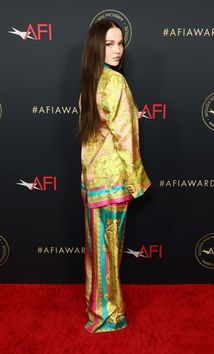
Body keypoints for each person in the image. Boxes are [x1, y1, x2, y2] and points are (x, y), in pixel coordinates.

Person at [77, 19, 152, 333]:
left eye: (120, 43)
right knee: (107, 252)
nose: (118, 50)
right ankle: (107, 316)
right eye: (109, 44)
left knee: (98, 253)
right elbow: (126, 135)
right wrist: (137, 180)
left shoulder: (91, 80)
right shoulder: (115, 82)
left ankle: (99, 312)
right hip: (112, 182)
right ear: (97, 46)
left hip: (92, 181)